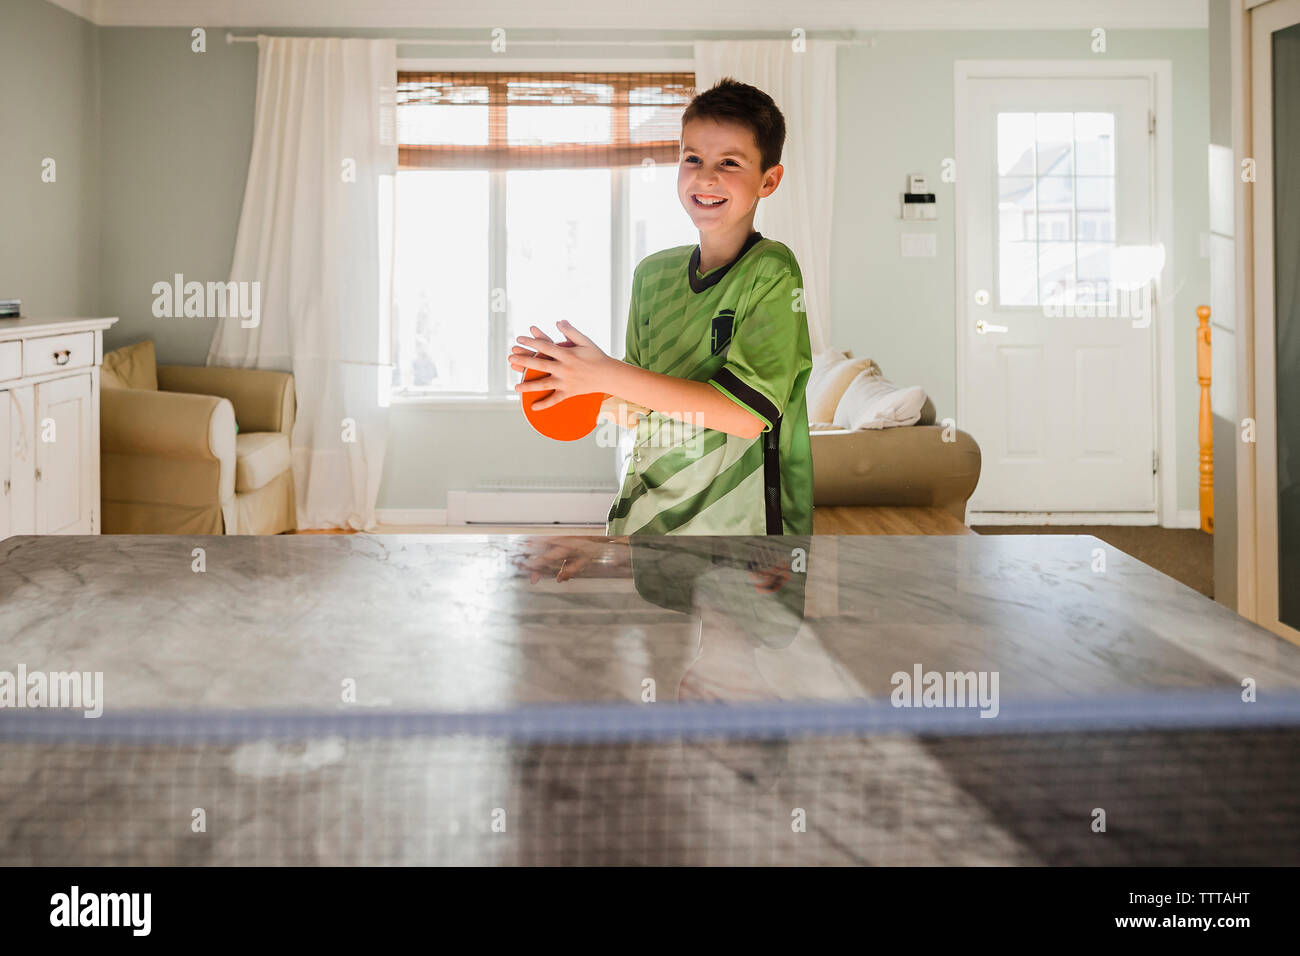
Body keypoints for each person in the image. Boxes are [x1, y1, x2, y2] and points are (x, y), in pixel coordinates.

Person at [507, 77, 814, 535]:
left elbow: (747, 416)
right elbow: (639, 405)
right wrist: (574, 376)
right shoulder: (651, 276)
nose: (706, 176)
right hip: (645, 525)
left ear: (769, 180)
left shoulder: (772, 271)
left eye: (729, 162)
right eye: (693, 158)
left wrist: (605, 372)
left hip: (744, 538)